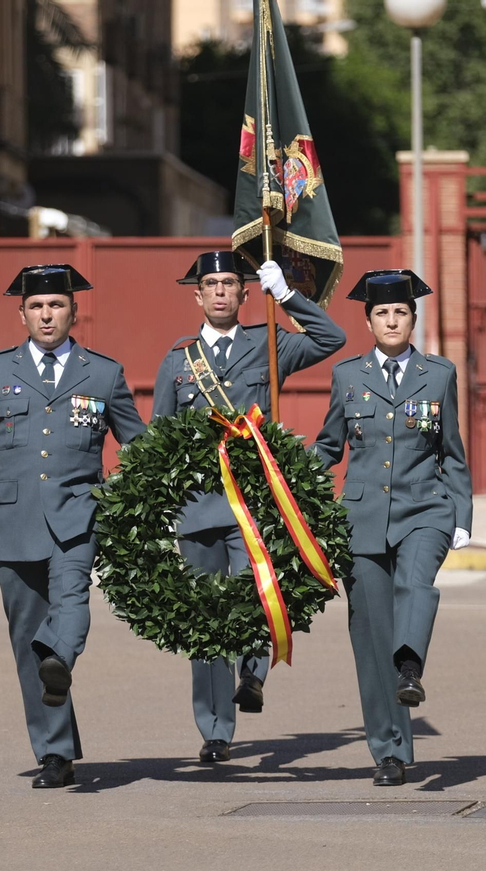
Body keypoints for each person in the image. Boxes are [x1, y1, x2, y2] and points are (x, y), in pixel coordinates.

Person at [0, 264, 146, 789]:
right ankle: (55, 753)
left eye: (56, 305)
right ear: (22, 314)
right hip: (13, 520)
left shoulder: (103, 373)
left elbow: (141, 446)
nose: (46, 315)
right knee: (25, 639)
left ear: (73, 312)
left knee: (70, 606)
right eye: (36, 307)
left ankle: (59, 655)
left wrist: (146, 502)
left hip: (79, 516)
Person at [151, 251, 347, 764]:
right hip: (196, 508)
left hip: (254, 503)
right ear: (197, 295)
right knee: (206, 619)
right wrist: (157, 510)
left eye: (229, 283)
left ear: (243, 293)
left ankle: (253, 676)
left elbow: (331, 338)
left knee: (258, 594)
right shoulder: (179, 360)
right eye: (211, 284)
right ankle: (215, 729)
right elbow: (159, 440)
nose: (220, 291)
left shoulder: (269, 343)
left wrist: (286, 295)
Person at [311, 269, 474, 787]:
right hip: (361, 520)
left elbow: (452, 451)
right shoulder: (348, 376)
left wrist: (462, 514)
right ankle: (390, 752)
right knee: (369, 637)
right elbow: (329, 446)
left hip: (425, 508)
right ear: (368, 321)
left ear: (413, 318)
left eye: (400, 312)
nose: (391, 320)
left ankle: (410, 666)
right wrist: (289, 483)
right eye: (382, 313)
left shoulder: (439, 374)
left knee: (415, 584)